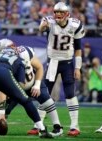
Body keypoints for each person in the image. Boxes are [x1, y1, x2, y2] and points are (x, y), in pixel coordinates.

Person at [0, 46, 53, 138]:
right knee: (26, 101)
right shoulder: (19, 59)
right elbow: (20, 83)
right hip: (4, 74)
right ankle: (42, 130)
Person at [0, 38, 63, 137]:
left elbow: (40, 67)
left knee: (46, 100)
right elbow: (2, 91)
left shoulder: (25, 52)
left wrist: (37, 85)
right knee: (5, 107)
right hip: (15, 87)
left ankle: (57, 127)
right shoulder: (4, 62)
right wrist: (1, 112)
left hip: (31, 82)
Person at [39, 1, 85, 136]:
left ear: (67, 14)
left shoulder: (75, 25)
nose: (58, 15)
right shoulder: (49, 21)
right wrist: (43, 26)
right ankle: (39, 124)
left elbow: (78, 48)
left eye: (60, 12)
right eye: (56, 12)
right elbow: (41, 28)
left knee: (70, 93)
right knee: (45, 93)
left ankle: (74, 126)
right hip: (53, 62)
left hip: (68, 63)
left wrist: (78, 67)